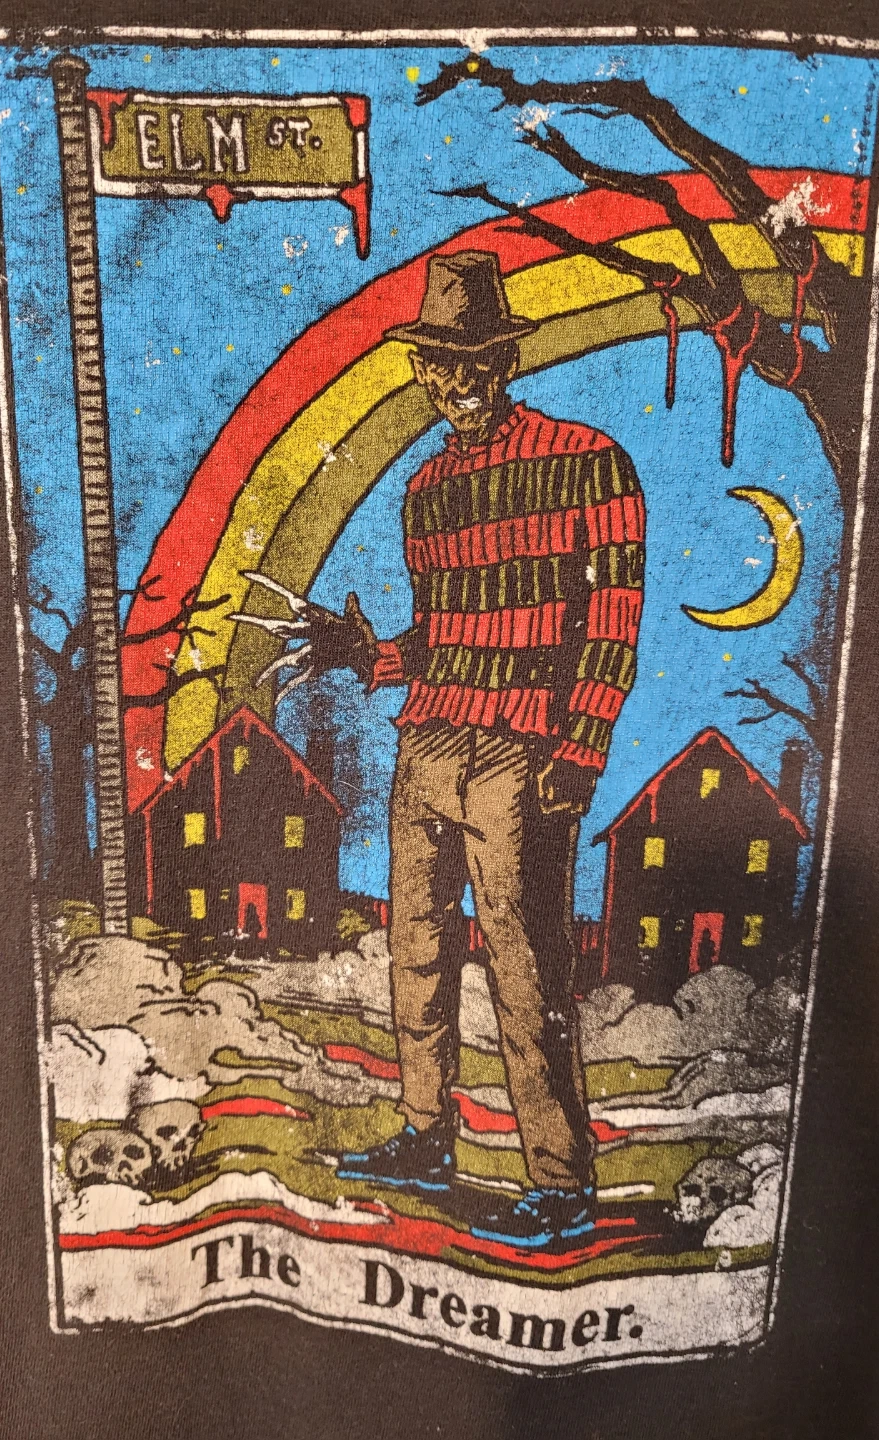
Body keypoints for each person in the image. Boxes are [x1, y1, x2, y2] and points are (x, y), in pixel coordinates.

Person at [312, 251, 646, 1247]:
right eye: (438, 365)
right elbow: (448, 634)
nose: (455, 383)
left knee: (526, 967)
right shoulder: (425, 490)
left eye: (472, 363)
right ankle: (426, 1136)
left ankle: (560, 1184)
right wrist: (372, 655)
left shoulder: (589, 461)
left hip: (523, 750)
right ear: (422, 369)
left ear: (504, 361)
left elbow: (612, 620)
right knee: (416, 951)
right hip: (429, 740)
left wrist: (581, 748)